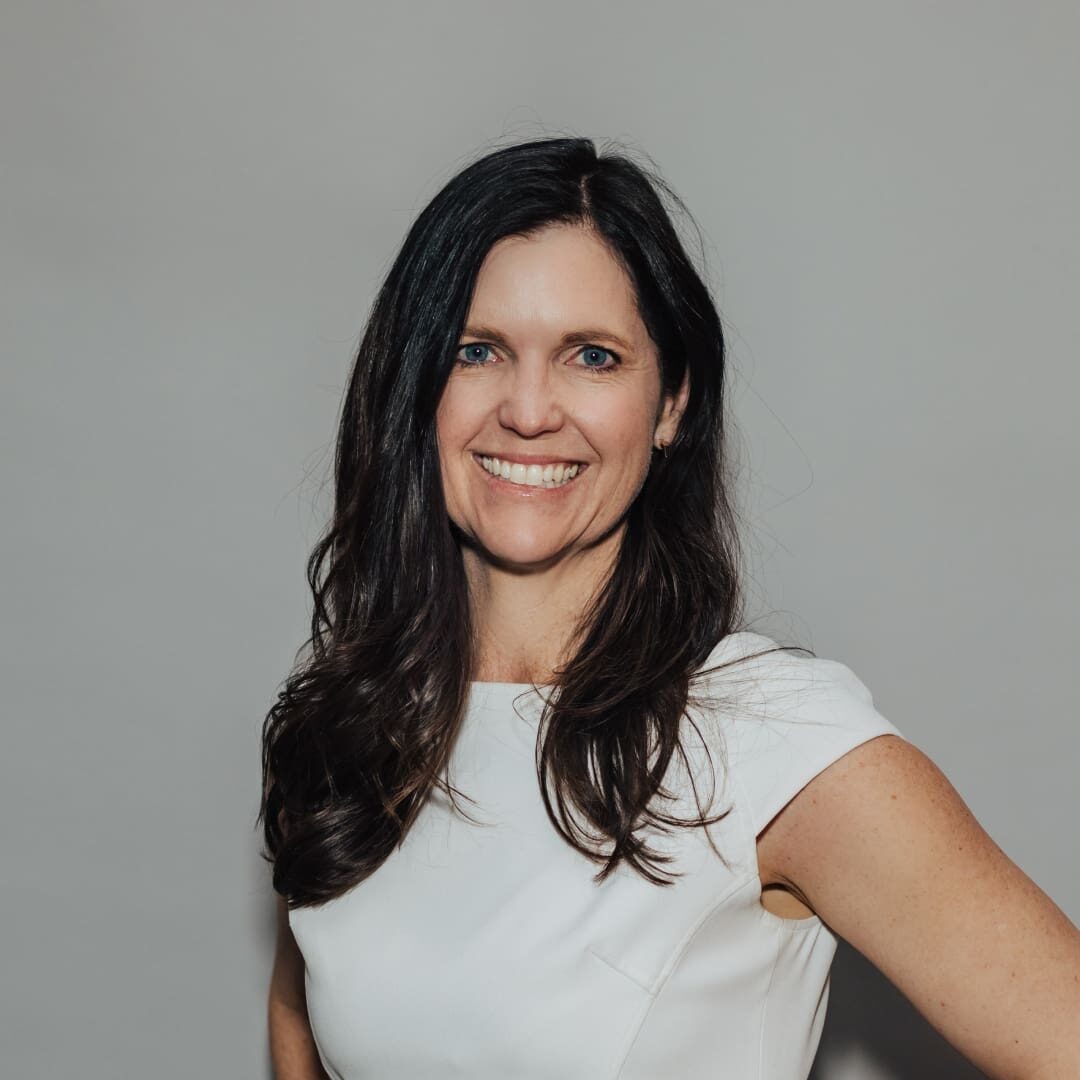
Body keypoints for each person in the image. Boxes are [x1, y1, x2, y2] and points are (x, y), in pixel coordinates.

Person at [259, 137, 1080, 1079]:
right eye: (476, 351)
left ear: (672, 403)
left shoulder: (773, 738)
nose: (529, 410)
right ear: (416, 390)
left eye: (593, 357)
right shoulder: (354, 715)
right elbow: (303, 1023)